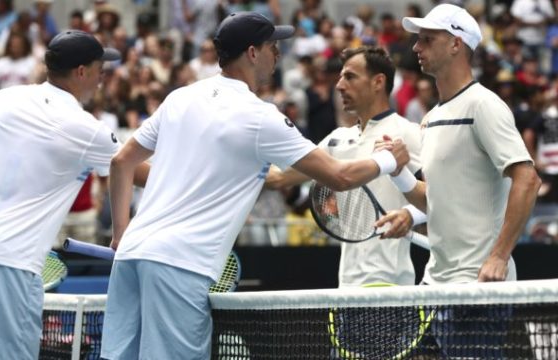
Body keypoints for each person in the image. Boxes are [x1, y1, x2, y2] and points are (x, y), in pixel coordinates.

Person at [100, 12, 410, 359]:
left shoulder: (180, 98)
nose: (277, 55)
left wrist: (120, 234)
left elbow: (121, 162)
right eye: (272, 47)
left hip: (129, 258)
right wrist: (390, 160)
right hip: (179, 264)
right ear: (251, 53)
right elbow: (340, 176)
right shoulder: (261, 117)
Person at [0, 30, 123, 359]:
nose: (103, 77)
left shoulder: (2, 98)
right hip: (9, 263)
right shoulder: (88, 129)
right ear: (82, 72)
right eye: (100, 68)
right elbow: (136, 170)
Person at [376, 4, 541, 358]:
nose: (416, 48)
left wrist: (499, 256)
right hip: (435, 285)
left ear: (455, 44)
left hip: (477, 289)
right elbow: (433, 199)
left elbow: (527, 179)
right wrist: (400, 172)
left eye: (427, 39)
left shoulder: (484, 105)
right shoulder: (432, 117)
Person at [267, 46, 424, 286]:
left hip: (391, 284)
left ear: (378, 82)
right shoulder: (336, 139)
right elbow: (278, 178)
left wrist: (410, 215)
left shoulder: (407, 133)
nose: (339, 85)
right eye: (340, 77)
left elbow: (442, 196)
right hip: (347, 284)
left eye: (350, 77)